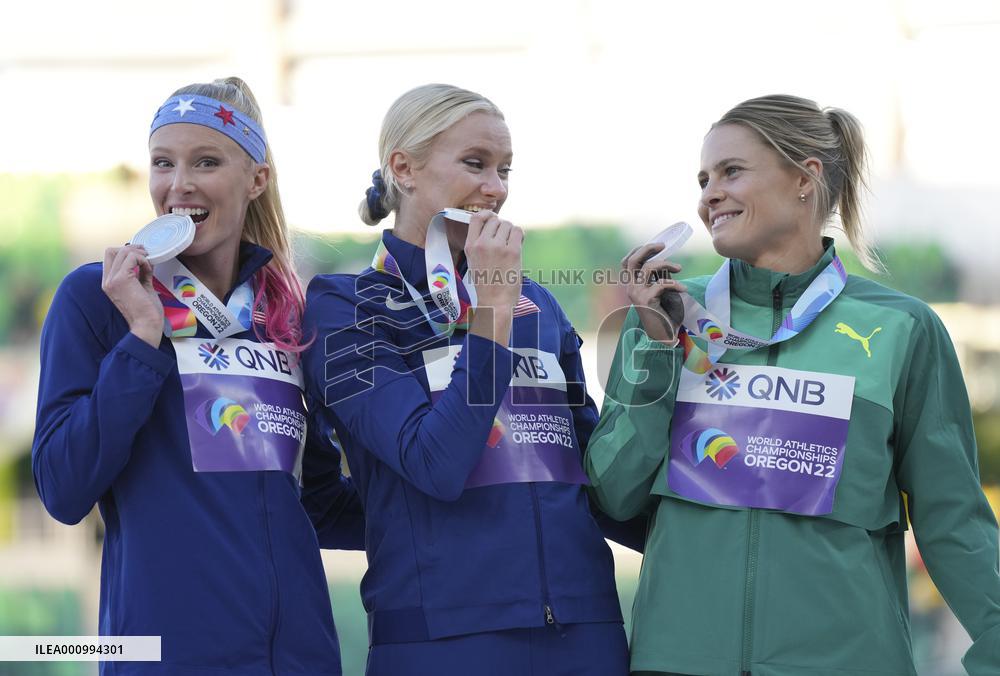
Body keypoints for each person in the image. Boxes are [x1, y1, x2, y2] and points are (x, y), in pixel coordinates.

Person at [585, 94, 1000, 676]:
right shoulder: (669, 315)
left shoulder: (901, 327)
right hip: (681, 659)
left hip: (848, 660)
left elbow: (952, 515)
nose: (709, 195)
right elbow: (613, 494)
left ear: (805, 177)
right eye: (703, 178)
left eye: (732, 171)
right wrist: (655, 347)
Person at [32, 77, 363, 675]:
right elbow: (63, 487)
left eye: (205, 162)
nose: (178, 185)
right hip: (166, 656)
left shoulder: (285, 313)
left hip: (297, 657)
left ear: (256, 178)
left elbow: (318, 500)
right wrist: (141, 337)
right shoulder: (98, 298)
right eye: (163, 163)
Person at [302, 83, 629, 676]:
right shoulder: (346, 307)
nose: (497, 188)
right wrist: (492, 317)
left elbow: (596, 479)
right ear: (403, 167)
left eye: (505, 170)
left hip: (586, 633)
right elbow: (437, 462)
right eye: (475, 165)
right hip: (442, 642)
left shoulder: (538, 304)